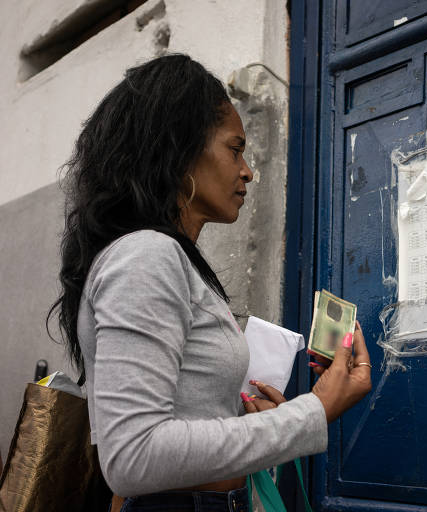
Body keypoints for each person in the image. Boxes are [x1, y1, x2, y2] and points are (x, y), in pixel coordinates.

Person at [48, 54, 372, 511]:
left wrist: (254, 421)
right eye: (234, 149)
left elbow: (181, 420)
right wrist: (312, 412)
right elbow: (133, 456)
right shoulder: (146, 256)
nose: (247, 171)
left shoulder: (168, 257)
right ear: (179, 150)